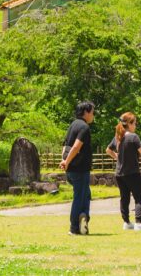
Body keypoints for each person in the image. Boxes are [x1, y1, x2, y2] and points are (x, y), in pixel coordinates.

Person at [104, 112, 141, 230]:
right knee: (139, 197)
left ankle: (127, 222)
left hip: (119, 174)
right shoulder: (133, 137)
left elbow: (108, 150)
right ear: (129, 124)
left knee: (124, 198)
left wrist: (117, 157)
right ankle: (138, 223)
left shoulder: (118, 137)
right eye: (135, 123)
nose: (136, 125)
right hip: (132, 172)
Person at [59, 101, 95, 236]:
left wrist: (64, 160)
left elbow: (65, 145)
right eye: (92, 112)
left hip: (72, 169)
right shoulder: (84, 127)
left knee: (85, 195)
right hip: (80, 169)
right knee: (79, 197)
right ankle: (74, 227)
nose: (93, 115)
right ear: (86, 112)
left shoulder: (73, 125)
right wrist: (66, 162)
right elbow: (76, 146)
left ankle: (84, 217)